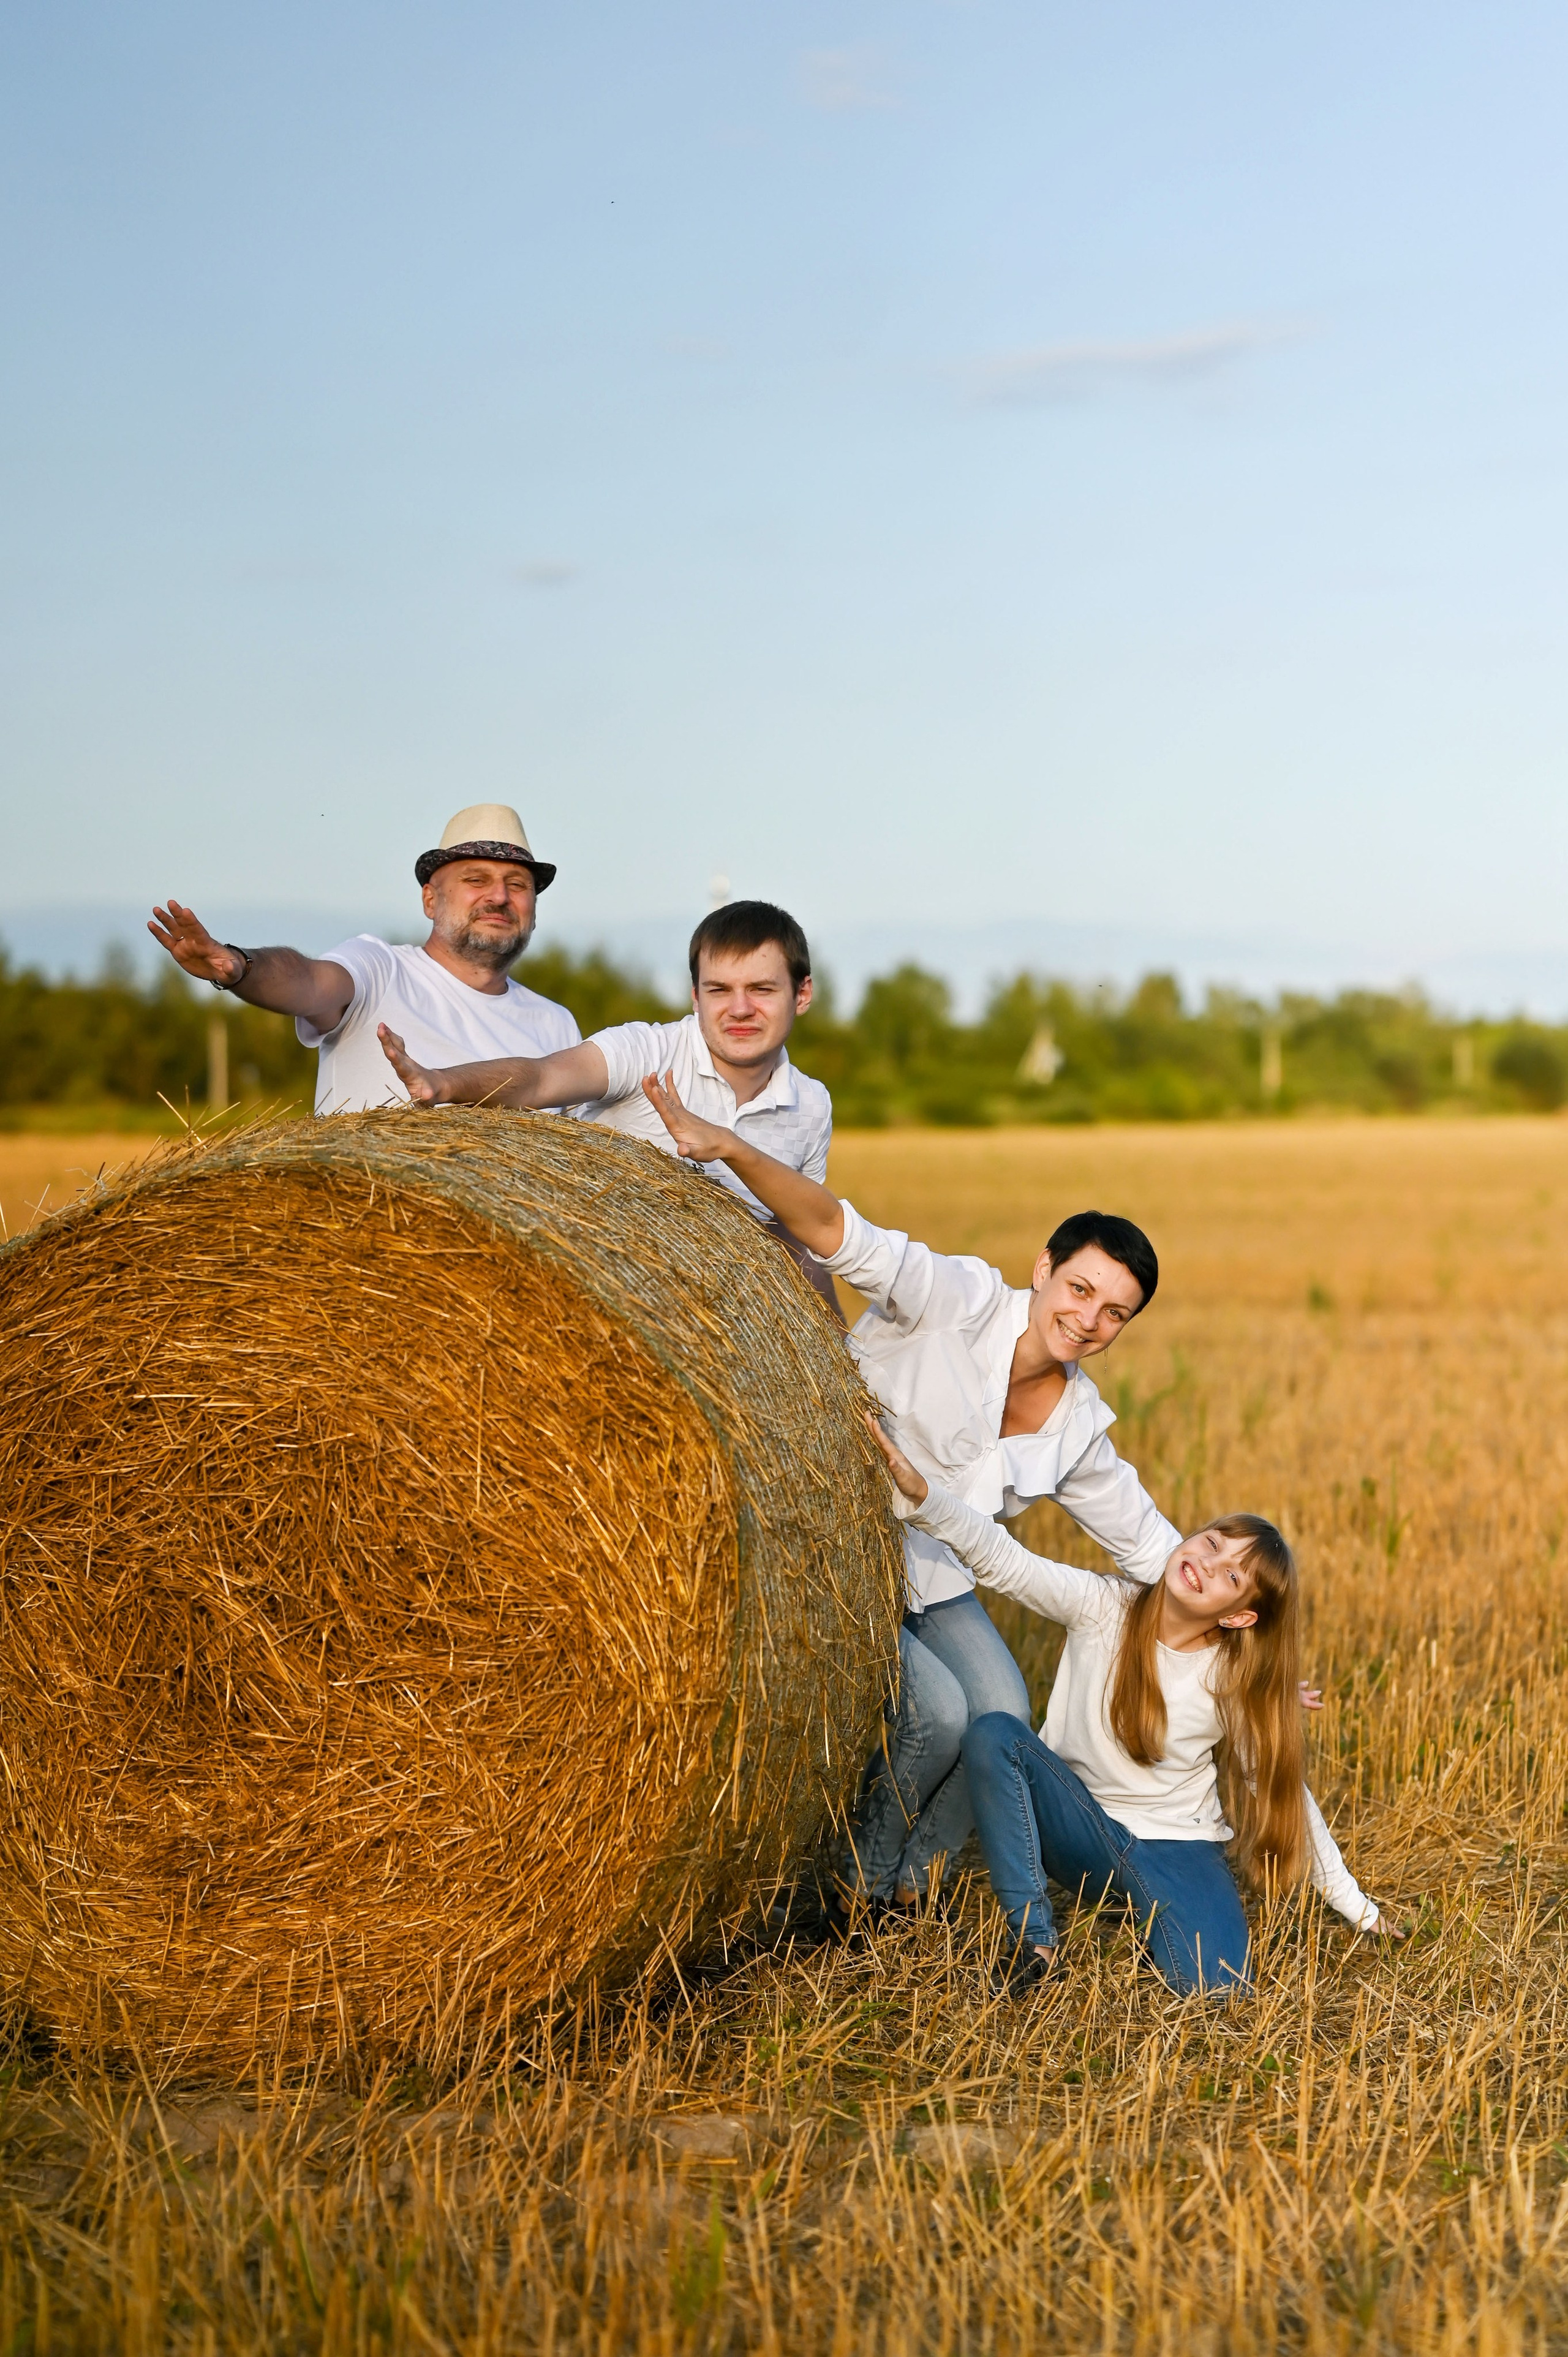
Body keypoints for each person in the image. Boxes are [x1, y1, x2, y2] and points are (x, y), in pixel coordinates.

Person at [636, 1069, 1178, 1921]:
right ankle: (858, 1878)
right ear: (1043, 1270)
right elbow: (834, 1231)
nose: (1088, 1320)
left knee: (1004, 1714)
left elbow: (1158, 1554)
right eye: (1081, 1289)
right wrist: (730, 1147)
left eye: (1115, 1313)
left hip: (933, 1575)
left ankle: (907, 1877)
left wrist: (1247, 1647)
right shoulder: (954, 1296)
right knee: (938, 1712)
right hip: (838, 1540)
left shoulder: (1077, 1429)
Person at [868, 1417, 1401, 1994]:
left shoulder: (1233, 1684)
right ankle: (1034, 1939)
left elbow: (1284, 1796)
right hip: (1080, 1829)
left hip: (1178, 1847)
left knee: (1219, 1987)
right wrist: (926, 1499)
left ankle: (1150, 1911)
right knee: (996, 1732)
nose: (1206, 1561)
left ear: (1239, 1617)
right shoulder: (1103, 1606)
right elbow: (1005, 1559)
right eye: (1212, 1541)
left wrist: (1359, 1909)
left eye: (1230, 1575)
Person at [376, 899, 840, 1314]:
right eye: (719, 990)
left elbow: (800, 1240)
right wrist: (445, 1083)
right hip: (591, 1305)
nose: (739, 1009)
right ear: (696, 997)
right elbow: (542, 1077)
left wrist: (841, 1382)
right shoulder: (647, 1051)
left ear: (801, 995)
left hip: (717, 1331)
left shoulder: (812, 1105)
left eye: (761, 989)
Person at [148, 804, 579, 1112]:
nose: (499, 897)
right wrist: (241, 966)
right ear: (430, 899)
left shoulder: (557, 1025)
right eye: (476, 879)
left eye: (518, 885)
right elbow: (309, 982)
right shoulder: (380, 970)